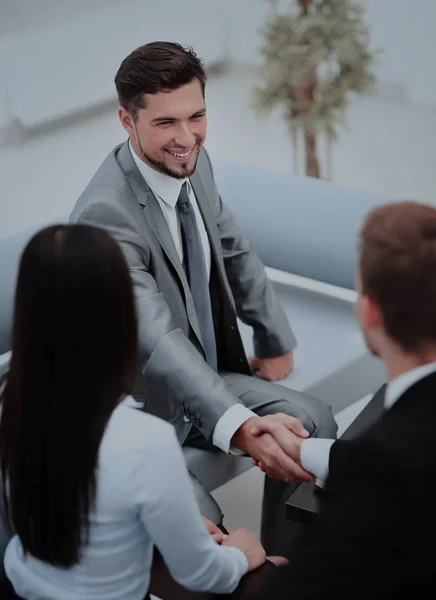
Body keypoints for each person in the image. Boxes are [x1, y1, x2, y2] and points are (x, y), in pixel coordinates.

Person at [69, 41, 337, 555]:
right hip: (145, 411)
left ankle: (286, 567)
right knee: (207, 530)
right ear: (127, 120)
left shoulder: (194, 161)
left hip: (210, 374)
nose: (187, 137)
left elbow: (233, 247)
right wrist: (242, 427)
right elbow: (159, 339)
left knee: (315, 421)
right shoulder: (106, 216)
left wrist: (273, 336)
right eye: (166, 123)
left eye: (197, 116)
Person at [0, 224, 270, 600]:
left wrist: (173, 527)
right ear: (120, 315)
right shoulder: (143, 441)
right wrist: (241, 555)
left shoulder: (11, 409)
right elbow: (203, 574)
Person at [251, 202, 436, 598]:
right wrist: (305, 451)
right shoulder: (394, 451)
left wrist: (247, 563)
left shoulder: (380, 475)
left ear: (369, 312)